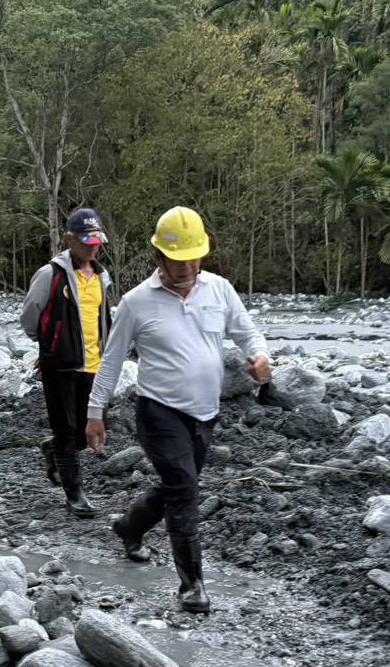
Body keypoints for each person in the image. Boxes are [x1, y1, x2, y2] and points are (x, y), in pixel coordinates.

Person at [85, 206, 272, 614]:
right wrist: (95, 412)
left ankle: (129, 527)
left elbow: (247, 332)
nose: (187, 266)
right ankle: (192, 585)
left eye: (194, 257)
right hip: (158, 412)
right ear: (158, 257)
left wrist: (259, 357)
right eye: (177, 259)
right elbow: (112, 360)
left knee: (176, 486)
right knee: (186, 490)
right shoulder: (136, 303)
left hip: (205, 413)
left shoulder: (219, 290)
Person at [19, 208, 115, 517]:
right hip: (60, 366)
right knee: (66, 429)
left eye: (96, 241)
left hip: (94, 364)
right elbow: (30, 315)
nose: (92, 247)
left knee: (84, 432)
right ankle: (75, 494)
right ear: (69, 239)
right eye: (86, 241)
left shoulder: (102, 276)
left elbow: (103, 318)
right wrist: (49, 345)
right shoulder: (51, 274)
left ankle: (52, 451)